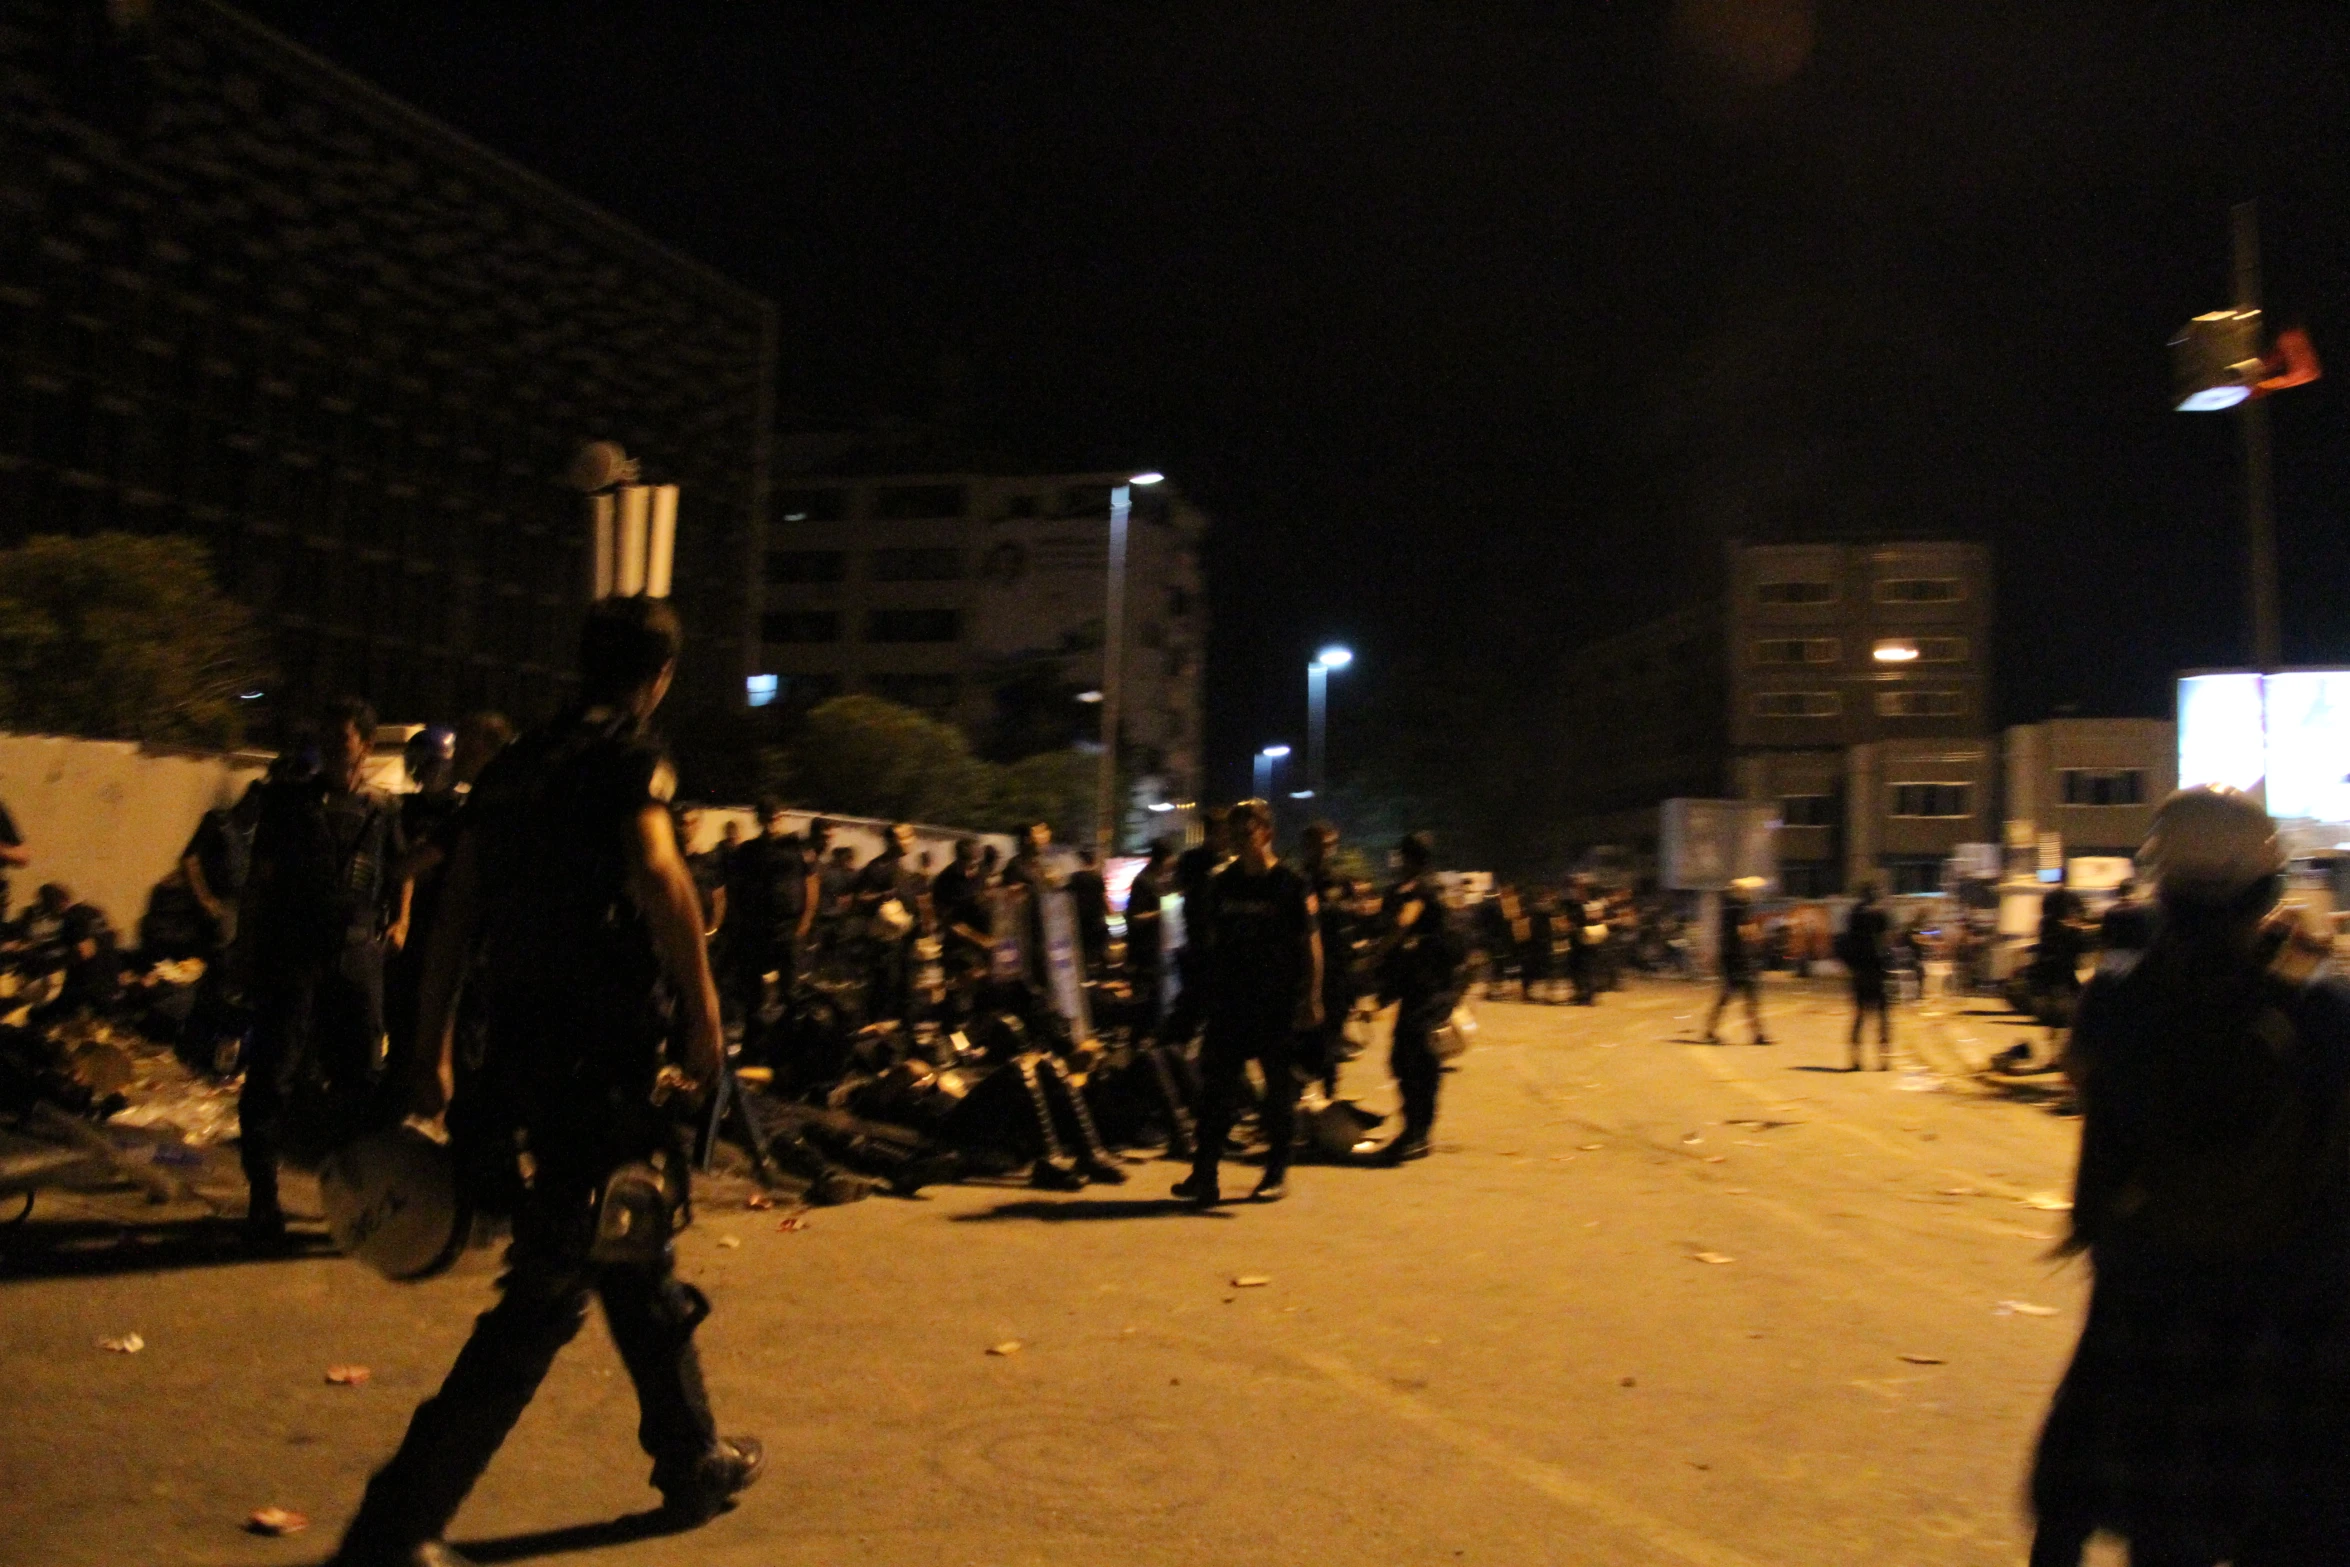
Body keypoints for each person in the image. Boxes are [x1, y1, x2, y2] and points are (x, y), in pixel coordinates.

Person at [330, 596, 760, 1566]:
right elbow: (658, 873)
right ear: (658, 678)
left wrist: (429, 1051)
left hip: (513, 1053)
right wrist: (702, 1017)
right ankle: (395, 1524)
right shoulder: (631, 761)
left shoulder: (517, 766)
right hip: (600, 1061)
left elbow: (456, 917)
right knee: (550, 1290)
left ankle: (692, 1458)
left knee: (631, 1247)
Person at [2028, 787, 2350, 1566]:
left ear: (2160, 886)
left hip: (2152, 1296)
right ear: (2269, 888)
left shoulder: (2122, 994)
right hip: (2294, 1310)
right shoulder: (2322, 999)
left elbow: (2081, 1083)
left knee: (2161, 1526)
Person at [239, 698, 407, 1247]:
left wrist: (400, 920)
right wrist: (249, 945)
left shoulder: (383, 811)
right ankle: (263, 1198)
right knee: (272, 1072)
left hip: (356, 960)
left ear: (365, 742)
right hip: (294, 957)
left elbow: (402, 868)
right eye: (329, 736)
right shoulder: (289, 804)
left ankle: (357, 1200)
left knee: (361, 1080)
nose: (337, 746)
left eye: (346, 736)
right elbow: (261, 881)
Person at [1174, 799, 1320, 1206]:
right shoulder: (1223, 882)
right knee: (1215, 1093)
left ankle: (1275, 1173)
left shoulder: (1290, 882)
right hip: (1229, 1003)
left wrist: (1312, 997)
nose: (1238, 841)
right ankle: (1204, 1175)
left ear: (1266, 834)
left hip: (1275, 1003)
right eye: (1233, 834)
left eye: (1246, 833)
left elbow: (1311, 943)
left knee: (1276, 1094)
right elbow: (1211, 941)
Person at [1367, 831, 1463, 1163]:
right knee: (1403, 1060)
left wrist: (1375, 955)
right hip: (1415, 988)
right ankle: (1414, 1129)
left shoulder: (1426, 890)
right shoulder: (1407, 889)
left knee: (1420, 1062)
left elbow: (1401, 925)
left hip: (1433, 988)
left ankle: (1418, 1134)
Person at [1298, 821, 1359, 1097]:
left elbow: (1354, 920)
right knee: (1300, 1039)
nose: (1325, 851)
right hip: (1304, 970)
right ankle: (1294, 1099)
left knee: (1331, 1038)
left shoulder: (1340, 880)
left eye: (1329, 845)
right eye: (1320, 846)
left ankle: (1328, 1098)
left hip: (1336, 971)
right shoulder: (1296, 881)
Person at [851, 822, 929, 1024]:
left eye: (910, 836)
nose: (908, 841)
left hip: (905, 944)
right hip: (885, 947)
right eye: (902, 837)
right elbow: (859, 898)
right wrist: (881, 897)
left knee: (904, 994)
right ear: (889, 841)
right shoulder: (877, 867)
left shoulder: (905, 870)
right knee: (884, 993)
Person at [1702, 878, 1769, 1046]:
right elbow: (1746, 929)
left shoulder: (1725, 907)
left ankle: (1711, 1030)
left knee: (1726, 996)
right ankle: (1757, 1034)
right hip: (1741, 956)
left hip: (1727, 956)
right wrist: (1758, 938)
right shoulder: (1742, 906)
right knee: (1750, 995)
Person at [1840, 883, 1893, 1070]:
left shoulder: (1854, 914)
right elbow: (1888, 940)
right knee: (1883, 1016)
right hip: (1878, 970)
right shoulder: (1881, 913)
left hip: (1860, 971)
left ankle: (1855, 1060)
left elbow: (1847, 940)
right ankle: (1884, 1060)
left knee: (1860, 1015)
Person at [1123, 838, 1173, 1024]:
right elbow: (1135, 917)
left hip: (1158, 952)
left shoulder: (1160, 880)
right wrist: (1165, 912)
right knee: (1144, 1004)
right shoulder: (1144, 881)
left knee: (1157, 1004)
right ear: (1165, 858)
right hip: (1144, 955)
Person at [1067, 847, 1110, 977]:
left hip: (1080, 920)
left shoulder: (1074, 878)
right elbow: (1104, 898)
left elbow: (1067, 898)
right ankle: (1101, 974)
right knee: (1098, 950)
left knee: (1083, 952)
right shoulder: (1097, 877)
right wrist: (1110, 912)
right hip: (1096, 919)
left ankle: (1085, 976)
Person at [2098, 876, 2157, 960]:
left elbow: (2105, 937)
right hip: (2136, 957)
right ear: (2135, 891)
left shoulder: (2110, 911)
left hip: (2115, 957)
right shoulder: (2143, 910)